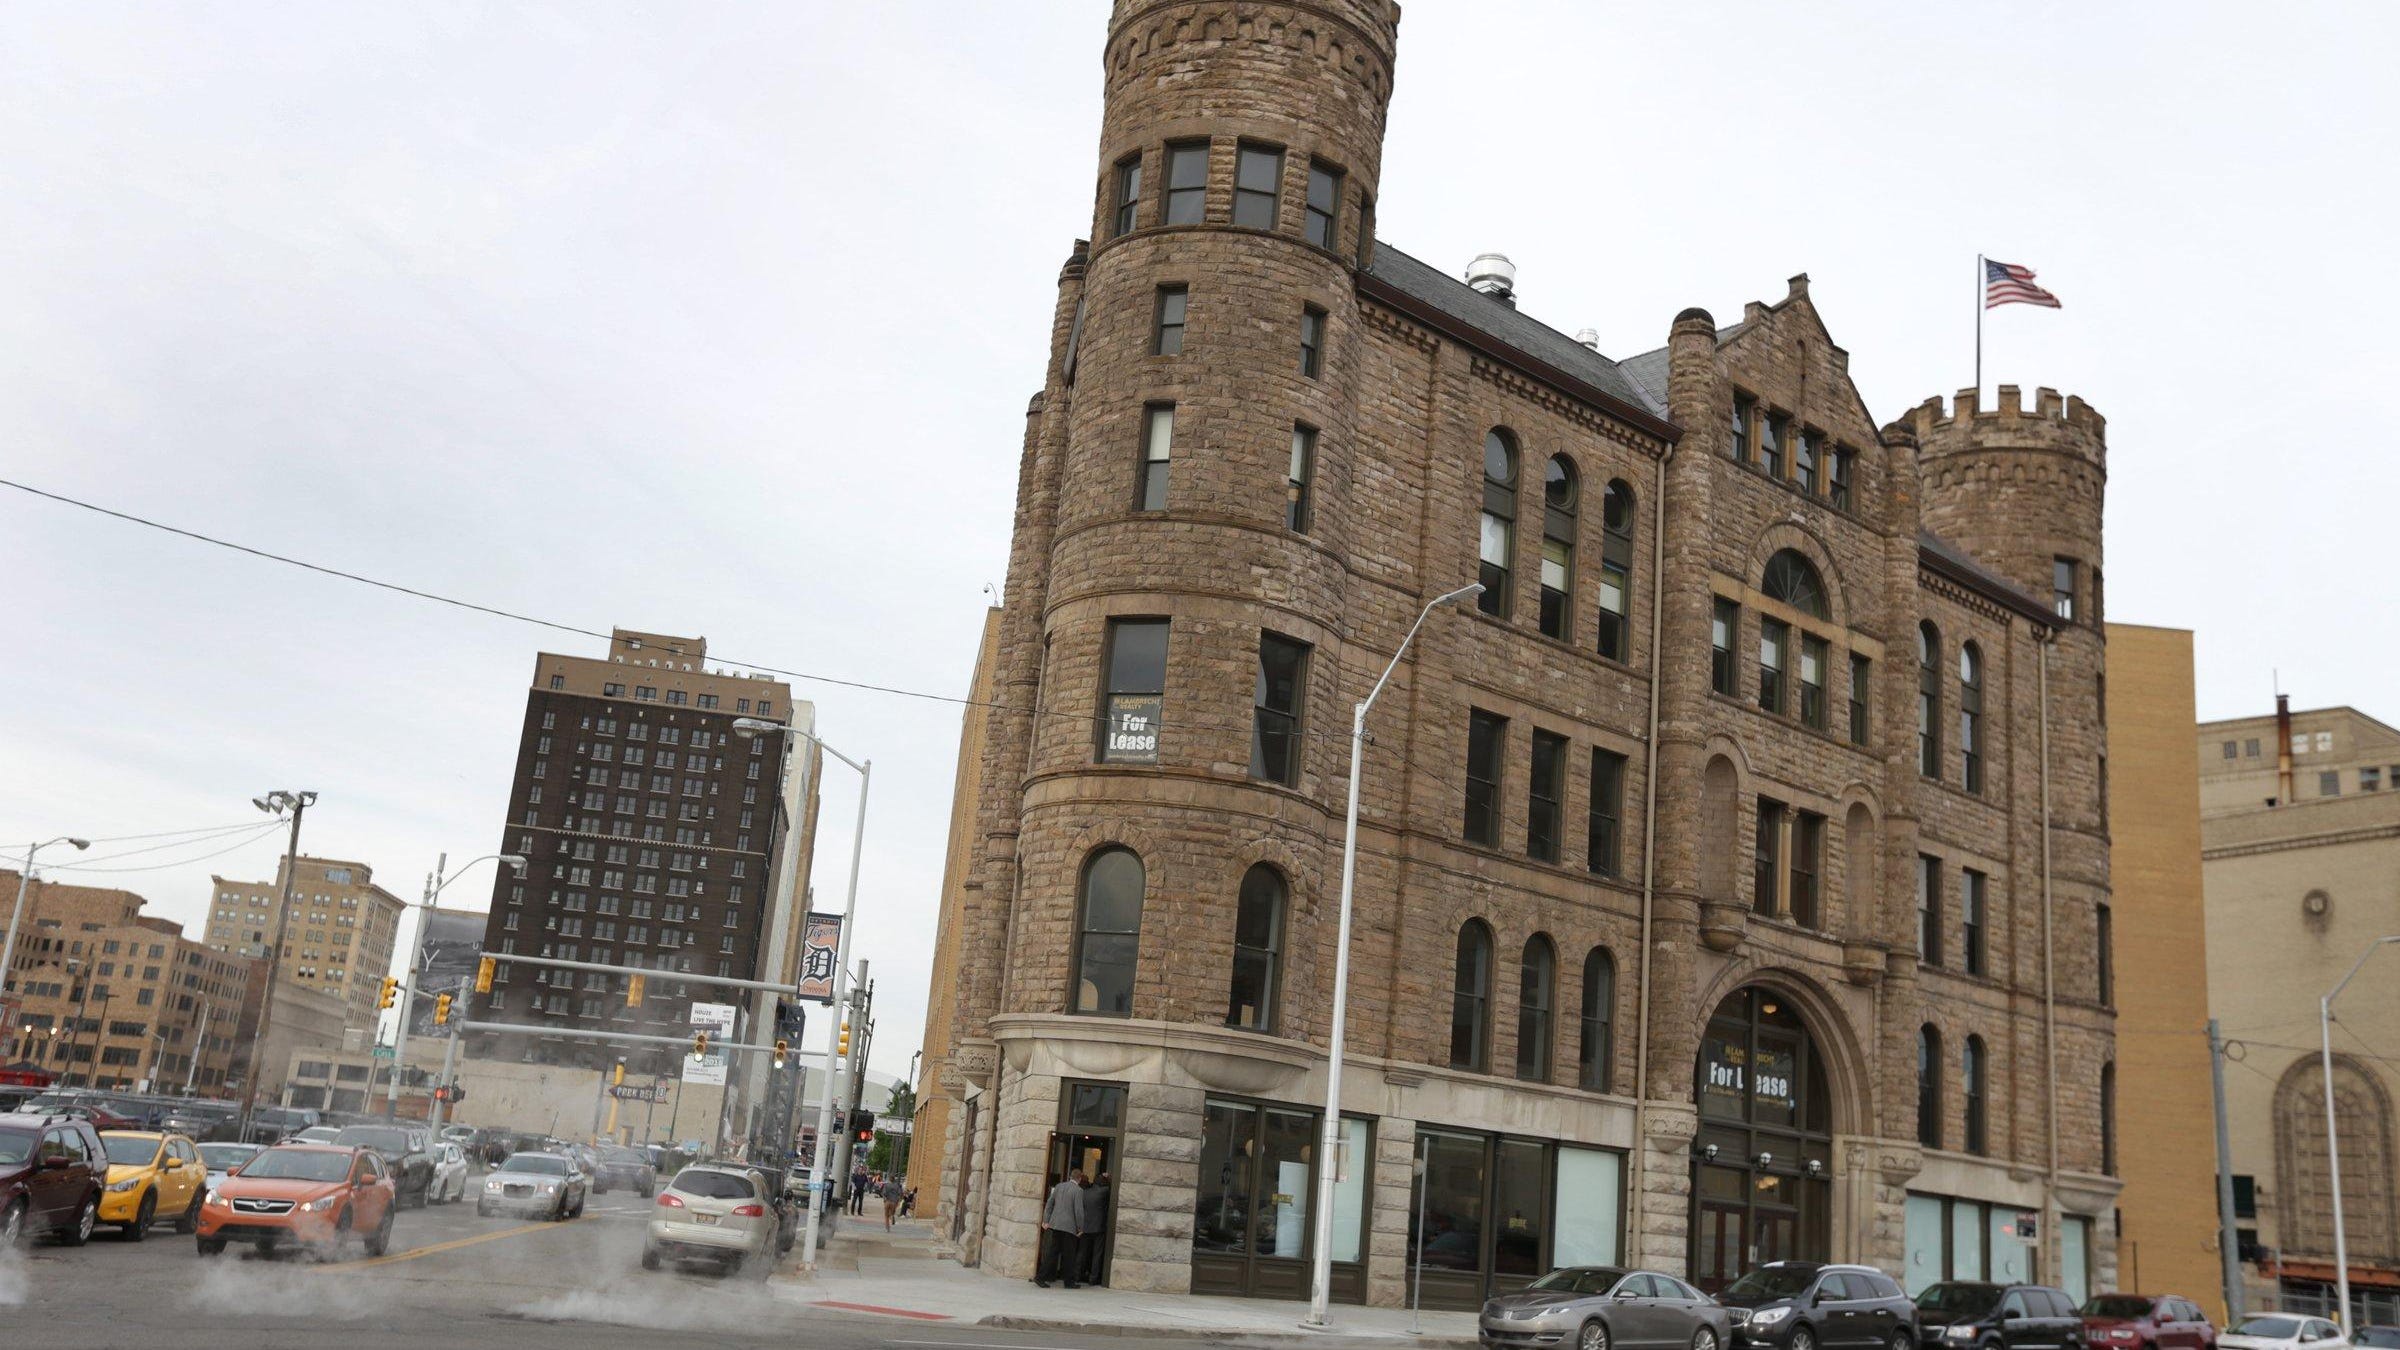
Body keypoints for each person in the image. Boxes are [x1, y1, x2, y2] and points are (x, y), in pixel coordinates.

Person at [1032, 1168, 1085, 1289]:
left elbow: (1050, 1203)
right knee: (1069, 1255)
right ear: (1079, 1178)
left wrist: (1046, 1220)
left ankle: (1040, 1277)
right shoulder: (1078, 1190)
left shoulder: (1059, 1186)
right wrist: (1080, 1227)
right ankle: (1069, 1282)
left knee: (1052, 1253)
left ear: (1070, 1176)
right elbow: (1078, 1211)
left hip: (1055, 1225)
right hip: (1069, 1227)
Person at [1078, 1170, 1111, 1286]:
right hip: (1098, 1227)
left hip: (1085, 1227)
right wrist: (1108, 1178)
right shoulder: (1104, 1191)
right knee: (1097, 1253)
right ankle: (1093, 1278)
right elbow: (1113, 1186)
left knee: (1082, 1252)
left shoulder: (1085, 1192)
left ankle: (1077, 1274)